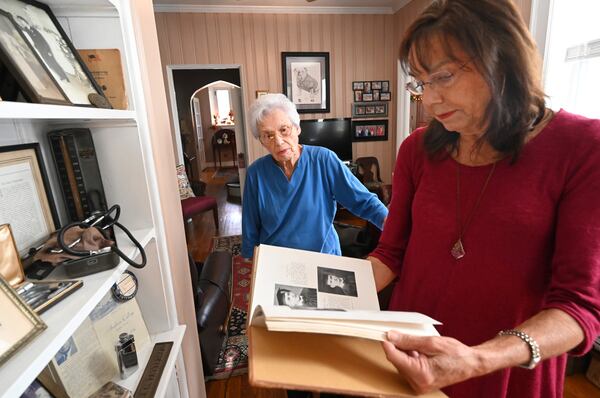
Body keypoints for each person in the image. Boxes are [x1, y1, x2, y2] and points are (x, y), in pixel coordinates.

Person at [368, 1, 600, 397]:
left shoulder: (583, 148)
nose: (429, 99)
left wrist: (478, 359)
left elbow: (578, 308)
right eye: (421, 83)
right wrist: (326, 305)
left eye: (443, 77)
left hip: (502, 372)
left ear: (502, 60)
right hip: (407, 357)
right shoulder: (416, 149)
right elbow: (390, 254)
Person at [241, 93, 388, 259]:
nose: (279, 141)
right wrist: (250, 261)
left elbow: (363, 201)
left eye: (284, 130)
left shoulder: (324, 160)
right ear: (261, 141)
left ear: (297, 128)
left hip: (322, 257)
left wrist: (392, 225)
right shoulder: (256, 173)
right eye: (268, 135)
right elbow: (250, 227)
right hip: (277, 261)